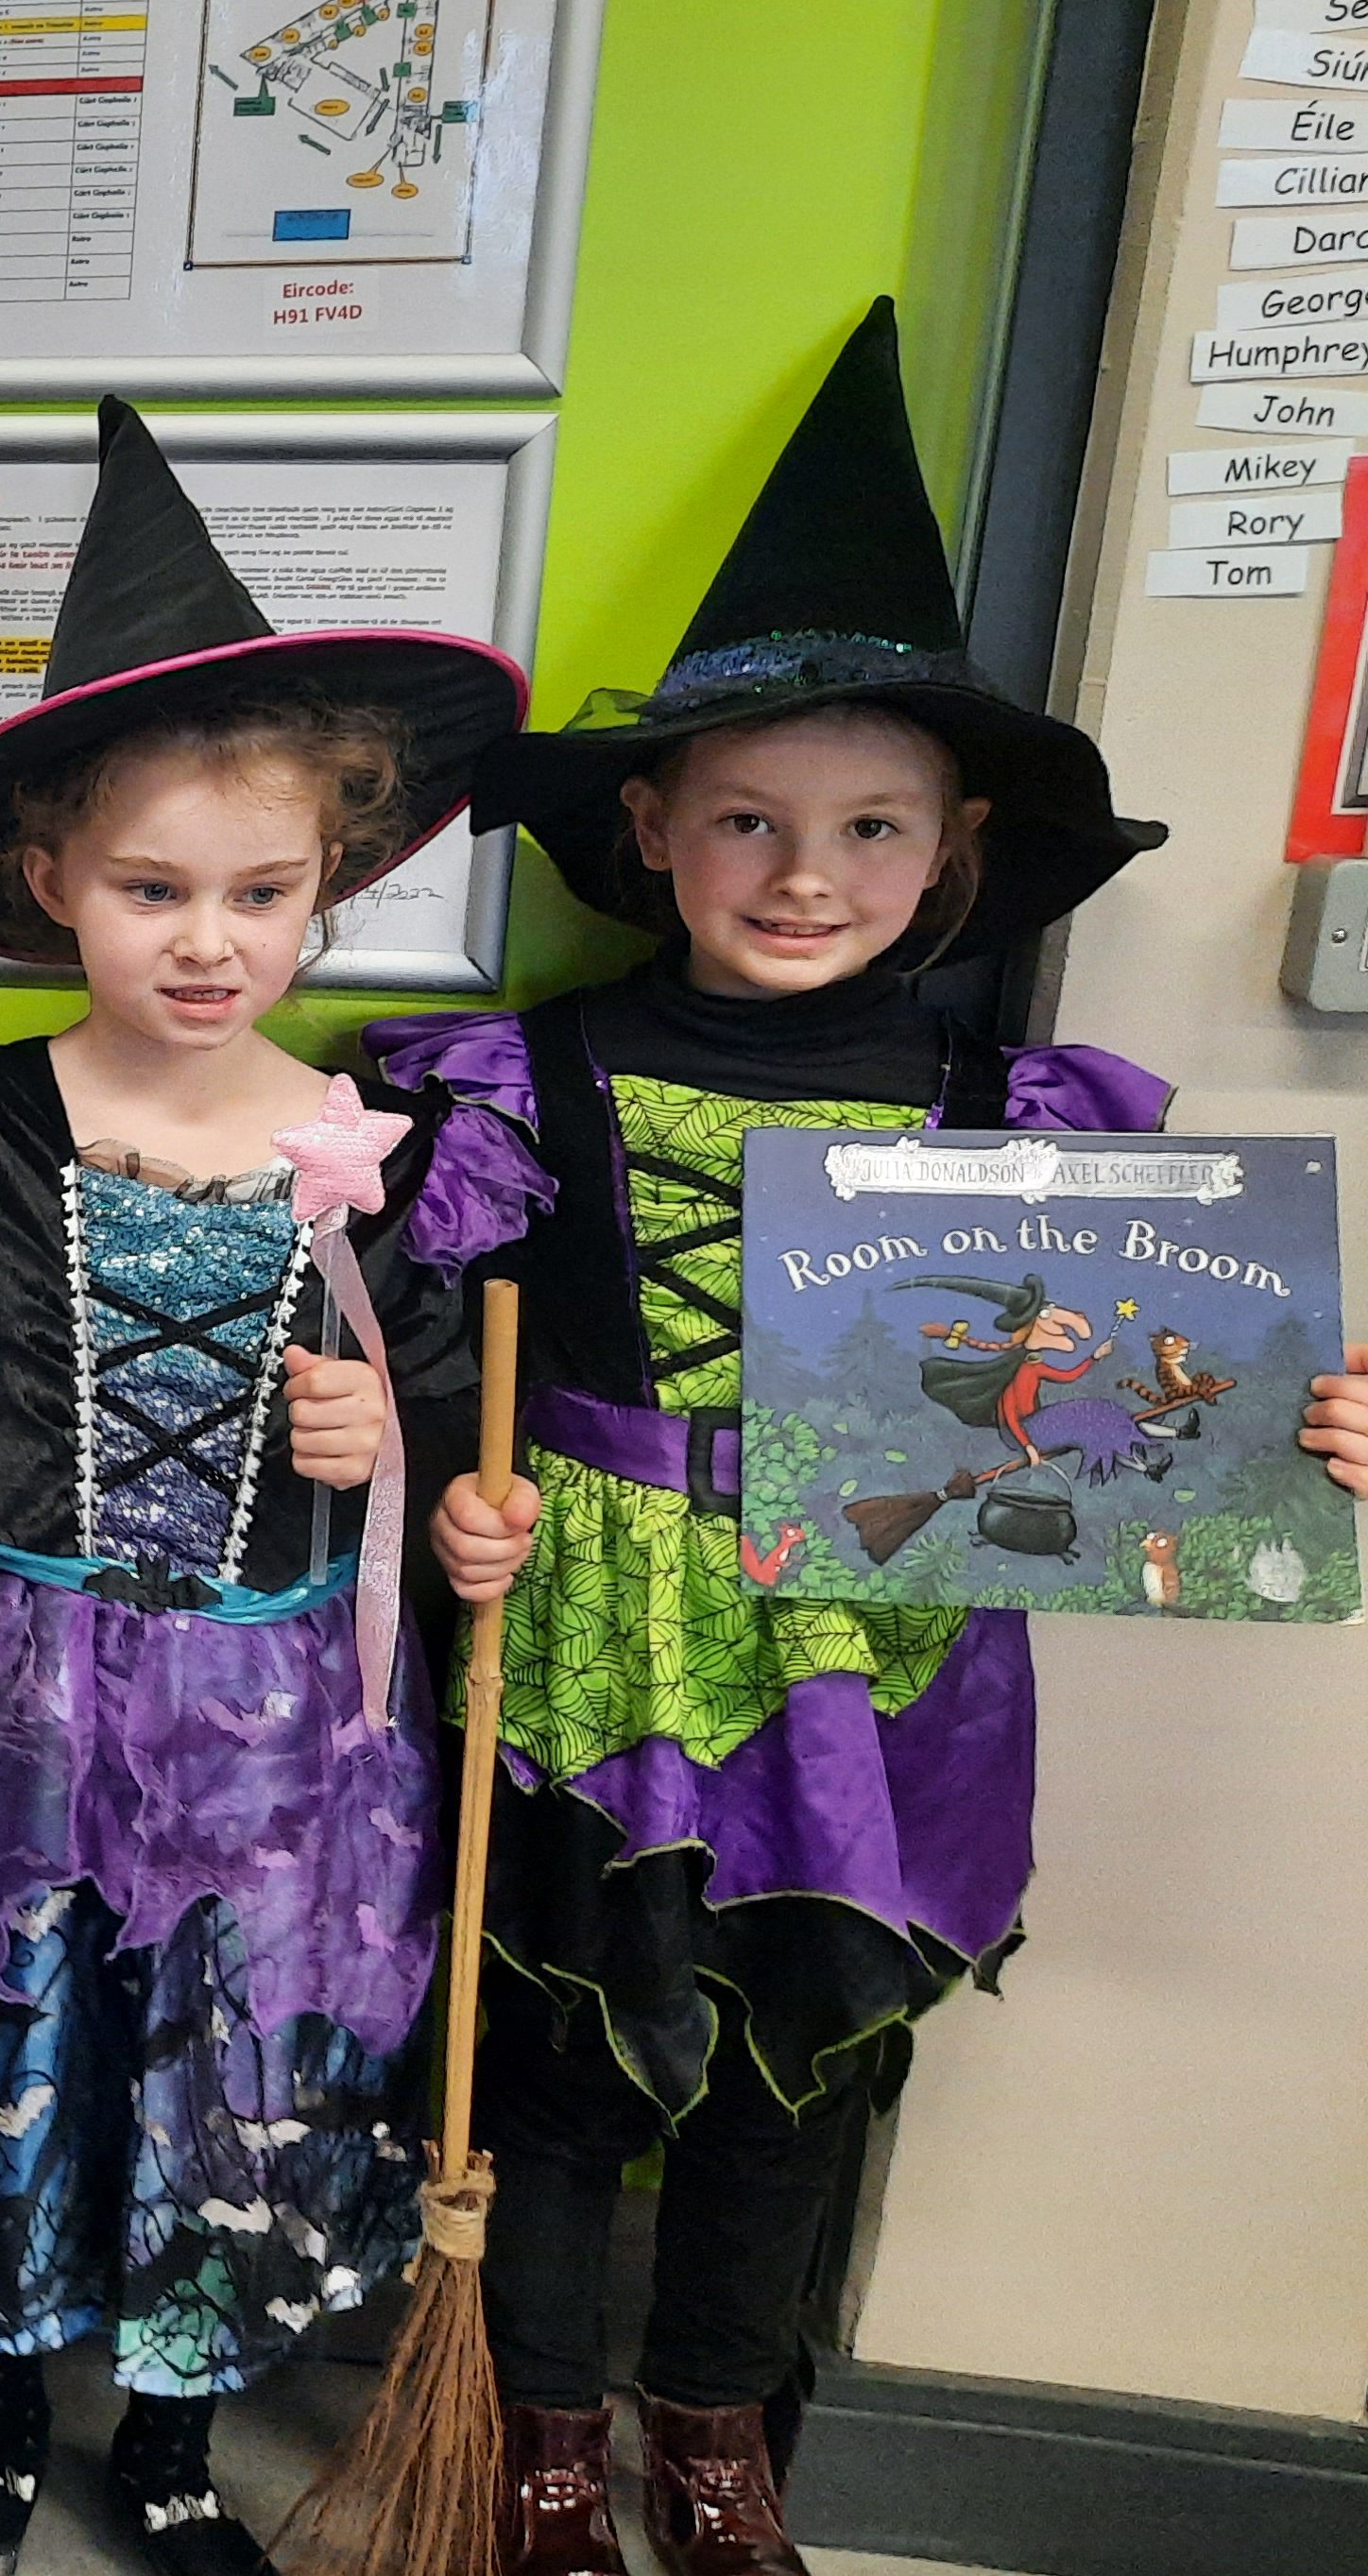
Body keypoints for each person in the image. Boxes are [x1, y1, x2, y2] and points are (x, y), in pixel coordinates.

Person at [369, 299, 1283, 2576]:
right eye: (748, 821)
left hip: (871, 1648)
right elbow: (413, 1350)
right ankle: (542, 2437)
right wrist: (451, 1485)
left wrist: (1293, 1415)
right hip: (586, 1626)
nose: (804, 871)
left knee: (795, 2064)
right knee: (557, 2060)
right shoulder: (528, 1077)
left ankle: (715, 2436)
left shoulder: (1004, 1108)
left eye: (869, 826)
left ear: (950, 846)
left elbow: (1138, 1404)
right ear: (650, 828)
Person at [0, 399, 522, 2576]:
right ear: (50, 881)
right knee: (14, 2040)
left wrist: (399, 1465)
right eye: (150, 888)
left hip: (271, 1712)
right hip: (24, 1690)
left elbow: (437, 1441)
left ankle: (171, 2436)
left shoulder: (375, 1144)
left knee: (230, 2063)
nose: (207, 938)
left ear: (329, 882)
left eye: (258, 890)